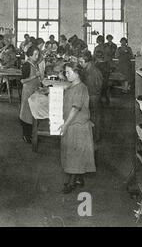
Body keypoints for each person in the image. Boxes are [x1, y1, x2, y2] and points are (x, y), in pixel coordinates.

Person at [58, 62, 96, 194]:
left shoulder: (81, 88)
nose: (66, 74)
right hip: (74, 124)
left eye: (69, 72)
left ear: (77, 73)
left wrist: (66, 124)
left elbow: (75, 108)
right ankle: (79, 179)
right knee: (75, 153)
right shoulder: (72, 86)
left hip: (77, 126)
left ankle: (71, 183)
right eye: (66, 72)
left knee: (74, 155)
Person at [78, 51, 103, 145]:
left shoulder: (93, 72)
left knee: (93, 117)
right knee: (92, 117)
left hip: (92, 97)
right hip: (91, 95)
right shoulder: (88, 69)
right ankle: (93, 136)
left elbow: (93, 87)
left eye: (81, 62)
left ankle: (94, 138)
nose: (80, 64)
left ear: (87, 61)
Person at [19, 46, 42, 143]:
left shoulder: (34, 64)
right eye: (35, 54)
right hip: (28, 91)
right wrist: (34, 76)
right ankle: (26, 135)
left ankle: (31, 135)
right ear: (30, 54)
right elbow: (22, 80)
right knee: (26, 114)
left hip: (34, 91)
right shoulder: (26, 65)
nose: (37, 56)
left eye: (38, 54)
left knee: (32, 114)